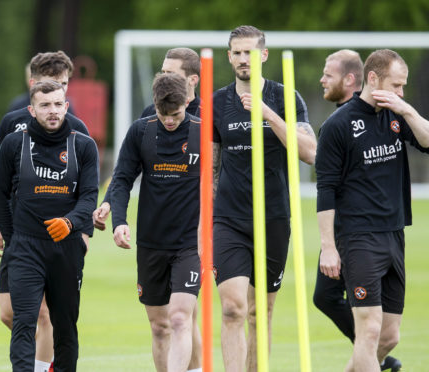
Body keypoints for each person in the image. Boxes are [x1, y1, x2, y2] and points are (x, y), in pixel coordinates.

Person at [316, 49, 429, 372]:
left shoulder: (397, 115)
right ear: (374, 79)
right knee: (368, 330)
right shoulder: (338, 125)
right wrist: (328, 248)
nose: (401, 92)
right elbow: (326, 190)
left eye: (404, 86)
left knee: (389, 336)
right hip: (358, 238)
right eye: (397, 85)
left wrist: (405, 109)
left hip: (394, 234)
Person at [211, 25, 316, 372]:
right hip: (229, 219)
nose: (244, 59)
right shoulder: (217, 102)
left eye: (250, 52)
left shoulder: (286, 97)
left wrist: (268, 115)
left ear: (263, 55)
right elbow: (210, 167)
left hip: (273, 217)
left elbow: (310, 153)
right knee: (233, 309)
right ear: (229, 57)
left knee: (260, 312)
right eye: (238, 53)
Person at [93, 48, 203, 371]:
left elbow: (219, 184)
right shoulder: (142, 129)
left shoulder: (203, 131)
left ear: (187, 101)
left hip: (190, 244)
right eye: (162, 114)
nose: (169, 121)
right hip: (152, 242)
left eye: (176, 115)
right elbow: (123, 177)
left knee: (182, 317)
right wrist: (118, 219)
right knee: (160, 326)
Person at [0, 50, 91, 372]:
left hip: (61, 241)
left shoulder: (79, 134)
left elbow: (86, 190)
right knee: (10, 313)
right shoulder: (12, 129)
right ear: (33, 92)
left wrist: (81, 229)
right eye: (50, 93)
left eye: (63, 91)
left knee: (45, 316)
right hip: (20, 235)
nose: (57, 101)